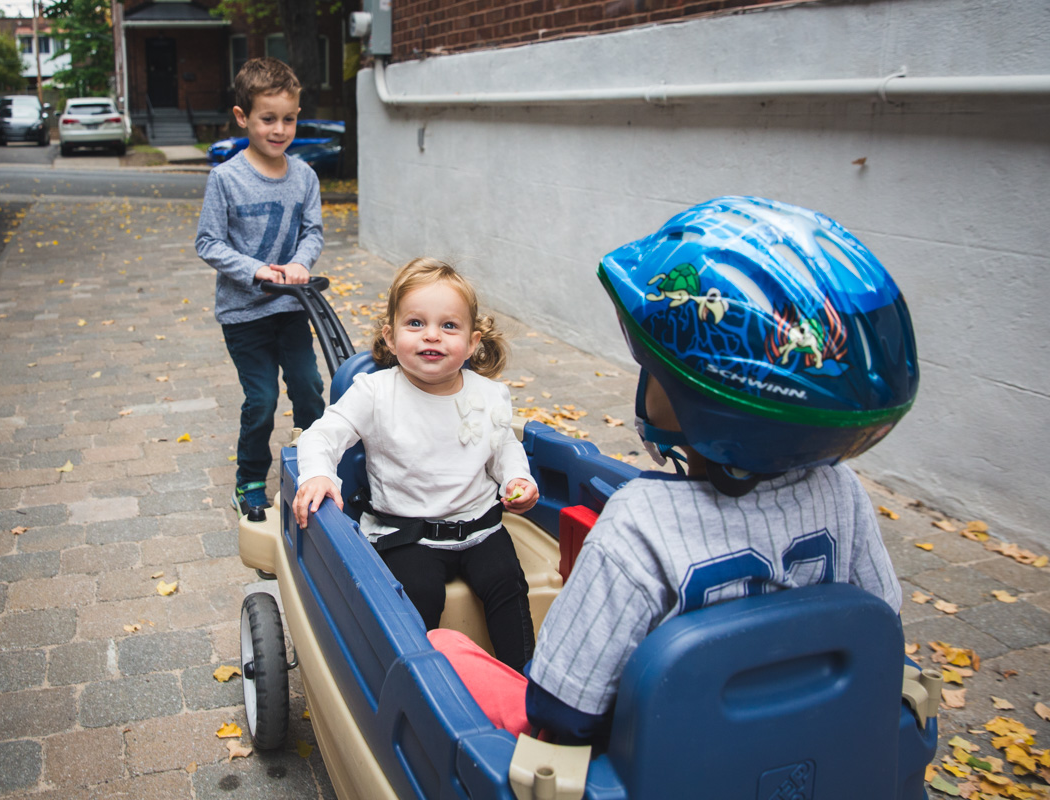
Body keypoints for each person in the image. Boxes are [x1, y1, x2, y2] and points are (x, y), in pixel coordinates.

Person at [430, 196, 919, 745]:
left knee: (444, 648)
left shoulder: (643, 522)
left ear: (702, 399)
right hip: (793, 739)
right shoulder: (843, 494)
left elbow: (561, 707)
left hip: (654, 757)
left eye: (655, 368)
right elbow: (883, 622)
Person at [292, 258, 540, 671]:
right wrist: (318, 472)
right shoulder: (375, 392)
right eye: (415, 324)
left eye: (448, 326)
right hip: (406, 532)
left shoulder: (488, 394)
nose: (432, 336)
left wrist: (518, 477)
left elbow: (503, 447)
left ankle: (526, 680)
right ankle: (420, 682)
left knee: (508, 583)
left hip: (481, 524)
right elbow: (323, 434)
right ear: (390, 337)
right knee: (417, 591)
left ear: (473, 340)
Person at [195, 57, 325, 522]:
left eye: (288, 118)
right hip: (244, 315)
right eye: (267, 118)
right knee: (264, 398)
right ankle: (249, 481)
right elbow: (207, 242)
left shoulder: (305, 177)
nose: (279, 129)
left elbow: (313, 232)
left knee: (310, 388)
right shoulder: (226, 179)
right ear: (242, 117)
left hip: (291, 309)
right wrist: (257, 270)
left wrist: (298, 263)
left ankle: (317, 468)